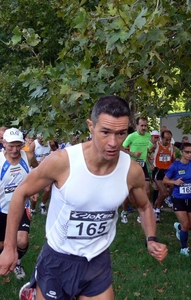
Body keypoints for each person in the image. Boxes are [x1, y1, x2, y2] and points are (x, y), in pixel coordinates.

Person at [0, 95, 168, 299]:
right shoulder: (63, 161)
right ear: (91, 126)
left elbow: (144, 207)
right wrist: (9, 247)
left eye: (121, 133)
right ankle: (36, 290)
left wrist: (151, 238)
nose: (113, 143)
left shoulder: (131, 171)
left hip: (97, 261)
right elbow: (21, 193)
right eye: (105, 132)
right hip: (58, 259)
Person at [0, 128, 38, 280]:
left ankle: (18, 263)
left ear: (22, 144)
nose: (15, 150)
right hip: (2, 208)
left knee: (22, 240)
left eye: (18, 145)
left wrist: (35, 187)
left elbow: (37, 168)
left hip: (23, 206)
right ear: (3, 143)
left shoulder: (27, 156)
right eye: (11, 146)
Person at [163, 142, 191, 256]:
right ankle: (184, 248)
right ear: (181, 152)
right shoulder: (175, 166)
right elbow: (165, 180)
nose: (190, 154)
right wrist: (174, 182)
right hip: (178, 198)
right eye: (187, 152)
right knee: (185, 225)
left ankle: (178, 226)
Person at [121, 117, 152, 224]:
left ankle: (141, 214)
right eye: (142, 125)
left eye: (145, 125)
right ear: (137, 126)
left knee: (147, 191)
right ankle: (124, 212)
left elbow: (148, 150)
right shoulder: (131, 136)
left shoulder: (149, 136)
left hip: (143, 165)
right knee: (129, 191)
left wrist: (149, 157)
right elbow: (121, 148)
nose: (144, 128)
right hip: (132, 165)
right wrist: (133, 154)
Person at [149, 129, 179, 222]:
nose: (168, 141)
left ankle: (154, 210)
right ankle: (157, 210)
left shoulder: (172, 147)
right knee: (164, 192)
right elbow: (148, 152)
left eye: (169, 139)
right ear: (161, 138)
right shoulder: (156, 145)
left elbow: (174, 158)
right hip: (158, 171)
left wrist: (175, 160)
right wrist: (150, 163)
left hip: (167, 172)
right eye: (166, 139)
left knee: (162, 193)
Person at [29, 134, 51, 216]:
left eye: (43, 140)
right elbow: (29, 156)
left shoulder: (49, 143)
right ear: (37, 138)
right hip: (36, 170)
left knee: (47, 189)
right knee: (35, 194)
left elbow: (55, 152)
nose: (42, 142)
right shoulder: (34, 144)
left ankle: (42, 205)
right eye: (40, 140)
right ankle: (32, 209)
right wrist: (37, 162)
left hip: (46, 169)